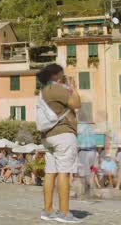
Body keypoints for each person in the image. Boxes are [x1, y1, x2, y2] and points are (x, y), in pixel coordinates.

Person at [38, 64, 83, 223]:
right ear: (56, 75)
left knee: (51, 173)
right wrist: (74, 88)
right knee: (64, 172)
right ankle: (64, 213)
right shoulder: (57, 89)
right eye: (62, 75)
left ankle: (48, 210)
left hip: (48, 136)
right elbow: (77, 104)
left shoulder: (43, 91)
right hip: (63, 134)